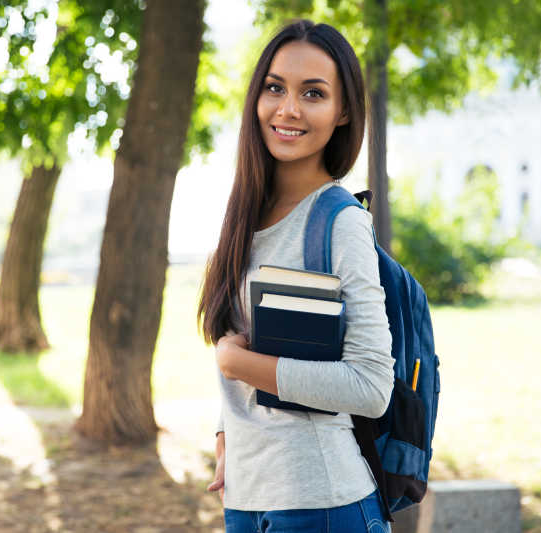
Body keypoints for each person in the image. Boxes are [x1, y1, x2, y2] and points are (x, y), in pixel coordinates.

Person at [196, 19, 395, 533]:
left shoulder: (339, 221)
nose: (288, 109)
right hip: (245, 499)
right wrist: (226, 433)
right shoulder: (244, 214)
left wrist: (238, 363)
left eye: (313, 93)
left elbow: (371, 386)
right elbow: (242, 338)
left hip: (321, 503)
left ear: (342, 111)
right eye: (275, 87)